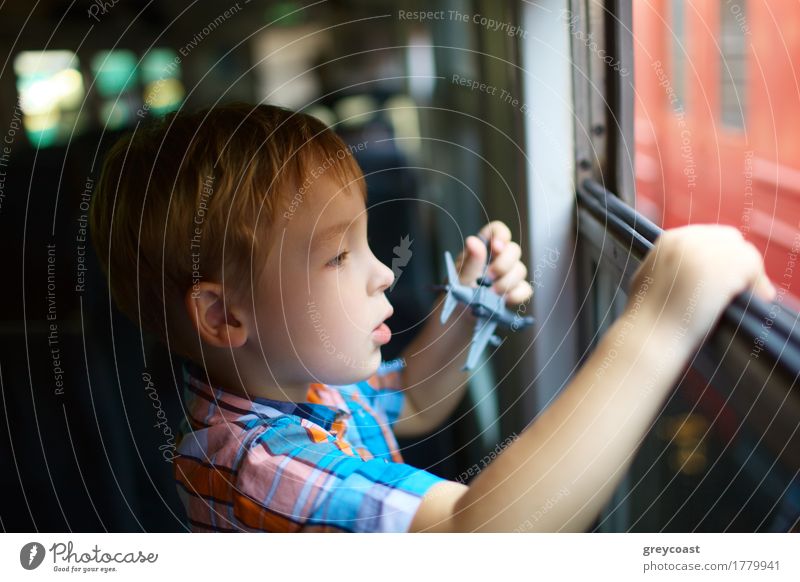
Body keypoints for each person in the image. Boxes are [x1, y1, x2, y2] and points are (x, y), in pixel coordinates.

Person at [89, 103, 777, 532]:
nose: (383, 272)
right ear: (224, 316)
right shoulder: (259, 466)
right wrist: (657, 323)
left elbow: (414, 397)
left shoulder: (297, 388)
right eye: (338, 257)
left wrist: (469, 309)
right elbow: (478, 540)